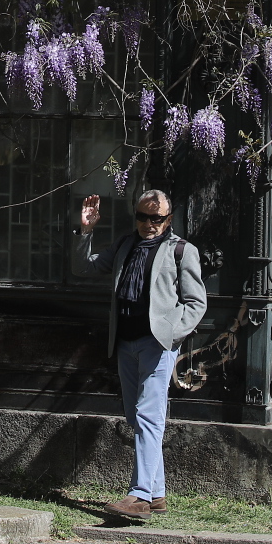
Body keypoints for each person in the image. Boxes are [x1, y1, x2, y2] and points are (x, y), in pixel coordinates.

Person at [76, 188, 206, 521]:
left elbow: (196, 303)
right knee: (137, 419)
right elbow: (83, 267)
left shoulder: (181, 251)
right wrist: (86, 230)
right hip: (125, 342)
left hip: (156, 345)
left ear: (168, 219)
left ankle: (140, 496)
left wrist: (171, 335)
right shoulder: (125, 245)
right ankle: (158, 494)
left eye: (156, 218)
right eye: (143, 217)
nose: (149, 224)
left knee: (148, 416)